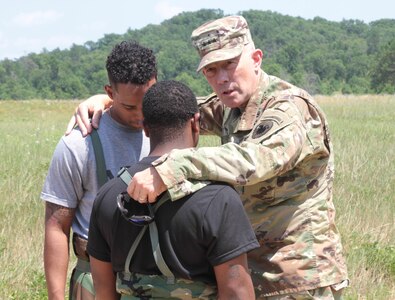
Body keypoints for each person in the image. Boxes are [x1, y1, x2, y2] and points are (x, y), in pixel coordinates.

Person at [69, 15, 349, 299]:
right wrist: (110, 102)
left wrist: (177, 164)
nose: (223, 79)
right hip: (250, 271)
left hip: (299, 278)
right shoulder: (231, 104)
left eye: (230, 64)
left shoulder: (290, 109)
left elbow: (254, 160)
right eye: (211, 71)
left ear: (256, 58)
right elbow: (172, 111)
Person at [87, 80, 259, 300]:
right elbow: (237, 292)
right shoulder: (219, 198)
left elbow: (103, 292)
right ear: (195, 123)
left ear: (146, 128)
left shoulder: (108, 196)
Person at [41, 40, 156, 300]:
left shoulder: (167, 127)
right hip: (93, 278)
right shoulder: (78, 144)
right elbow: (57, 226)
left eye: (145, 103)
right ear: (110, 92)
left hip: (154, 280)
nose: (140, 116)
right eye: (129, 107)